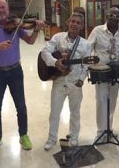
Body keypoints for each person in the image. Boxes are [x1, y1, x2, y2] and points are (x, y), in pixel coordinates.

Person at [0, 0, 45, 154]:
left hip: (15, 71)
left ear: (7, 9)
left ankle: (23, 135)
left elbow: (31, 41)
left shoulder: (16, 25)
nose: (1, 10)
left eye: (3, 8)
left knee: (21, 106)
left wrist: (37, 29)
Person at [40, 13, 91, 151]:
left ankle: (74, 137)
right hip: (59, 81)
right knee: (55, 112)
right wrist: (55, 62)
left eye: (78, 22)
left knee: (75, 112)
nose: (74, 24)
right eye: (72, 21)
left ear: (81, 26)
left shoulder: (85, 44)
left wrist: (81, 79)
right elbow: (44, 52)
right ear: (68, 22)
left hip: (75, 83)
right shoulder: (57, 38)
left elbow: (86, 65)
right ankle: (51, 139)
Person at [87, 7, 119, 142]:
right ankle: (100, 131)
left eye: (117, 16)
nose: (114, 18)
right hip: (101, 71)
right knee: (102, 100)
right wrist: (88, 65)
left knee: (113, 101)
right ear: (106, 16)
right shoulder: (98, 30)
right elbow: (88, 48)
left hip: (116, 72)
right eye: (111, 15)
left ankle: (109, 129)